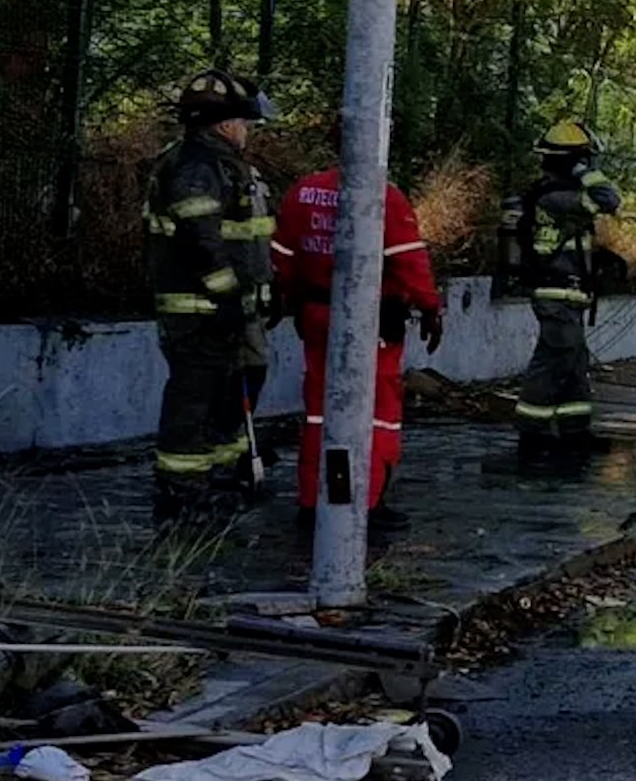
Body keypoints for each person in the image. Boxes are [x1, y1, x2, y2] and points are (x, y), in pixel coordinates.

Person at [270, 115, 443, 531]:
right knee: (378, 411)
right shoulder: (384, 197)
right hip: (372, 322)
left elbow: (281, 259)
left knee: (320, 410)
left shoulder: (304, 192)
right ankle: (363, 502)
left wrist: (289, 302)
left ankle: (314, 501)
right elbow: (410, 263)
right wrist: (431, 307)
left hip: (316, 316)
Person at [143, 69, 276, 523]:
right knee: (193, 400)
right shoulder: (196, 168)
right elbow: (201, 240)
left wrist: (257, 295)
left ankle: (221, 478)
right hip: (199, 313)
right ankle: (183, 493)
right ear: (224, 124)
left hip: (231, 309)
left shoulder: (225, 166)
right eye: (244, 123)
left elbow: (247, 240)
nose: (247, 132)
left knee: (235, 388)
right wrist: (227, 297)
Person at [509, 118, 622, 452]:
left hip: (567, 293)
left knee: (574, 362)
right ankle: (533, 433)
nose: (589, 166)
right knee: (551, 362)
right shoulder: (556, 198)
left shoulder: (559, 196)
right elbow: (609, 199)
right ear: (573, 161)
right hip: (556, 294)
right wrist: (580, 170)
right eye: (584, 160)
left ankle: (576, 431)